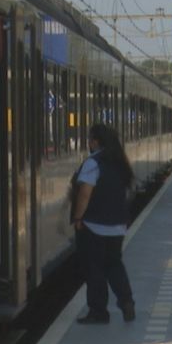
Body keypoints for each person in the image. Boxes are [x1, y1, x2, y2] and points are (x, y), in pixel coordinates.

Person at [70, 123, 136, 325]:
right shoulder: (120, 163)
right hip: (117, 226)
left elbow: (85, 193)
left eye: (90, 140)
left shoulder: (93, 163)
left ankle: (99, 312)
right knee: (114, 264)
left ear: (96, 142)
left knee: (95, 269)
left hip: (94, 225)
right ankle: (126, 301)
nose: (88, 143)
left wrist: (78, 217)